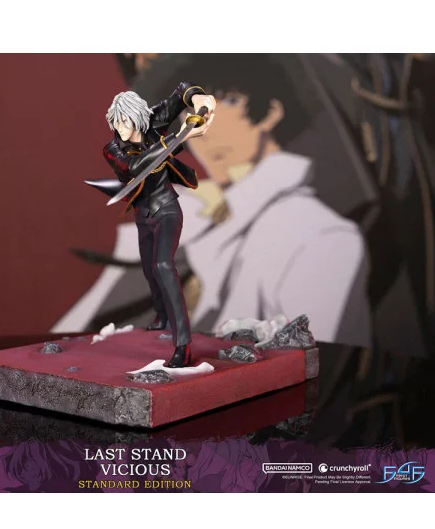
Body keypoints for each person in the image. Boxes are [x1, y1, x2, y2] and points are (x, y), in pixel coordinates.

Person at [52, 55, 371, 348]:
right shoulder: (188, 215)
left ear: (271, 112)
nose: (206, 127)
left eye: (229, 101)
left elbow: (311, 365)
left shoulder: (320, 236)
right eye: (191, 112)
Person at [97, 82, 216, 367]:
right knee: (150, 270)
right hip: (143, 213)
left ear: (138, 117)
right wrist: (177, 137)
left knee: (163, 266)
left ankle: (183, 345)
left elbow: (181, 93)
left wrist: (199, 98)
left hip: (167, 209)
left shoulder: (153, 121)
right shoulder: (112, 149)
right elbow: (137, 167)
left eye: (125, 120)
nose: (120, 127)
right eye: (116, 121)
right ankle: (161, 314)